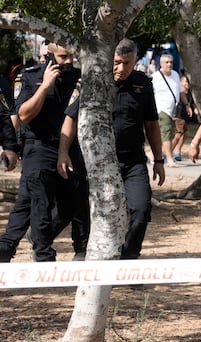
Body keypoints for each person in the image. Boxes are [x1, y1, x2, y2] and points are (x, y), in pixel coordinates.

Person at [58, 38, 165, 260]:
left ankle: (129, 258)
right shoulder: (91, 80)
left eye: (128, 63)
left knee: (141, 209)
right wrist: (63, 152)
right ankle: (83, 249)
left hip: (132, 161)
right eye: (117, 62)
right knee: (86, 207)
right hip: (97, 161)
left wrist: (159, 159)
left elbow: (152, 124)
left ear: (135, 60)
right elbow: (71, 118)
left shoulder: (143, 84)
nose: (122, 68)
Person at [11, 43, 89, 262]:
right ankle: (43, 255)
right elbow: (23, 115)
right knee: (40, 202)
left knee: (74, 200)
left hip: (70, 146)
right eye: (63, 57)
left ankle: (37, 237)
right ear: (50, 56)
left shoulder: (80, 77)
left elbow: (73, 116)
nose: (69, 61)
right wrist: (44, 86)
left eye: (72, 56)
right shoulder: (30, 76)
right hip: (39, 146)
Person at [151, 53, 187, 168]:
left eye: (171, 62)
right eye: (166, 62)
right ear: (161, 64)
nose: (169, 64)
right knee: (166, 134)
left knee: (172, 134)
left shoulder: (175, 75)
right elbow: (149, 93)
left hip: (173, 110)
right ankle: (169, 159)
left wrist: (187, 104)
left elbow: (181, 91)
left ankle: (152, 155)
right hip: (162, 109)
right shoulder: (156, 77)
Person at [170, 74, 195, 162]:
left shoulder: (191, 94)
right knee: (178, 134)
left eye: (188, 82)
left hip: (185, 117)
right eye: (185, 81)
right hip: (179, 116)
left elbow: (193, 105)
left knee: (185, 134)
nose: (186, 84)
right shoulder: (180, 93)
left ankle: (177, 151)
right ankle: (169, 153)